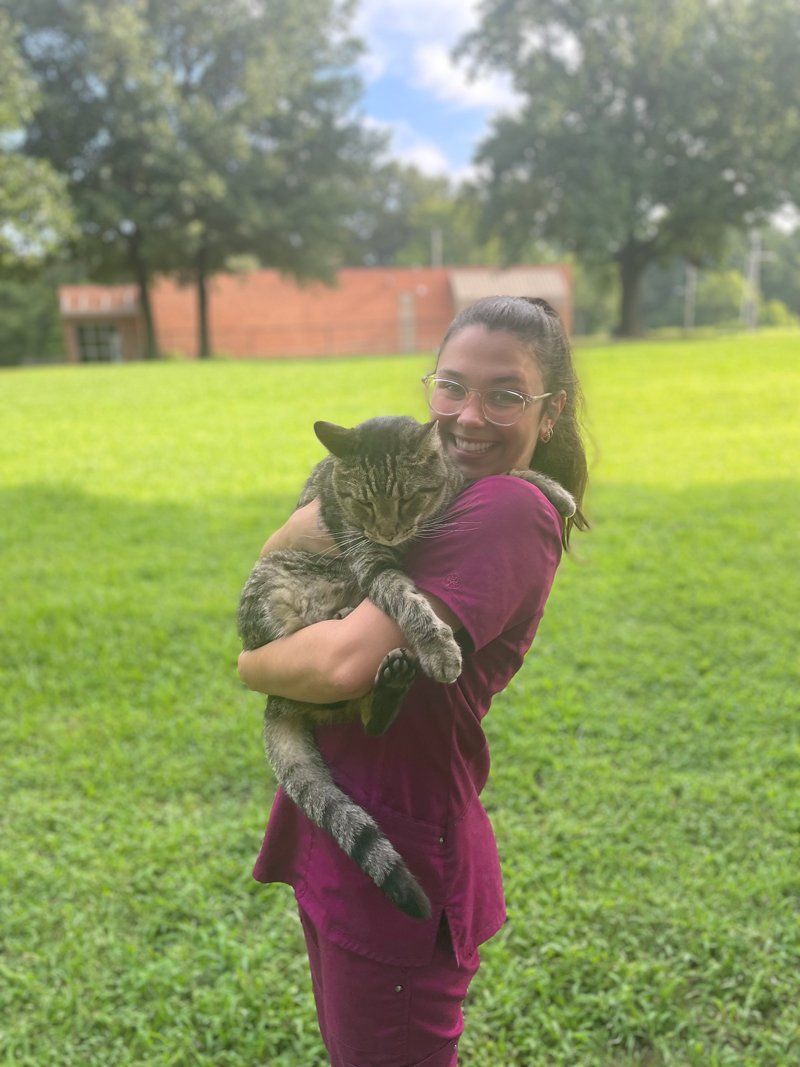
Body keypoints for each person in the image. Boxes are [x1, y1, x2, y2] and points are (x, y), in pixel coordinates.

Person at [237, 296, 589, 1067]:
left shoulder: (503, 505)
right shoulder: (431, 477)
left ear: (551, 411)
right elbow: (284, 549)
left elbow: (335, 665)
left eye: (506, 394)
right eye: (451, 386)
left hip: (398, 823)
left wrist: (251, 665)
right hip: (340, 809)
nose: (469, 415)